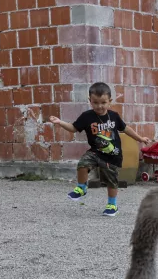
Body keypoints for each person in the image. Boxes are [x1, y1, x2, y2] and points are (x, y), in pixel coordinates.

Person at [49, 82, 150, 216]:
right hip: (96, 152)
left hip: (113, 155)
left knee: (111, 181)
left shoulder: (114, 116)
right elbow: (73, 128)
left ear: (110, 101)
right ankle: (81, 187)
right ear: (90, 101)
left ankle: (112, 205)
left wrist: (140, 138)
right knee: (83, 164)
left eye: (103, 102)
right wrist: (59, 122)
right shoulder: (87, 117)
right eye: (95, 102)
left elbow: (126, 129)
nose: (99, 106)